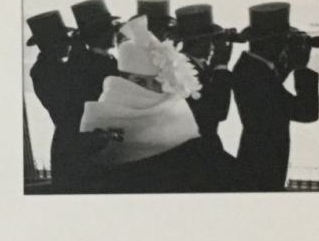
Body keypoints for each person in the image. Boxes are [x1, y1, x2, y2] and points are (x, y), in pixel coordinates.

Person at [79, 16, 241, 193]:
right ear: (123, 82)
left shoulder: (179, 120)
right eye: (140, 82)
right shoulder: (104, 123)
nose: (151, 89)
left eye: (158, 82)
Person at [232, 2, 319, 191]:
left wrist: (289, 64)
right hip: (263, 167)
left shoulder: (253, 67)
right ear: (273, 42)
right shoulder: (255, 75)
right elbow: (307, 112)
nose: (286, 46)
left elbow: (274, 82)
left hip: (258, 159)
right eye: (285, 40)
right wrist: (302, 67)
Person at [27, 10, 115, 192]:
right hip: (73, 145)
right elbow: (73, 101)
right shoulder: (46, 71)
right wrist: (81, 53)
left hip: (73, 142)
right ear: (48, 44)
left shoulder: (56, 67)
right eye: (62, 40)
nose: (67, 43)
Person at [174, 4, 233, 149]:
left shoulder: (196, 64)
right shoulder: (182, 69)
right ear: (202, 41)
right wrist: (221, 65)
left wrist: (216, 66)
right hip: (197, 149)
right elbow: (219, 112)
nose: (213, 45)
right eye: (211, 39)